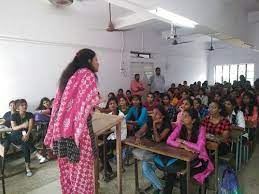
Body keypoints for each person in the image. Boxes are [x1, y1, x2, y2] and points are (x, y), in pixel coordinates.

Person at [44, 48, 100, 194]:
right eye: (96, 60)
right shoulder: (87, 75)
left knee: (69, 168)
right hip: (79, 132)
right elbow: (86, 102)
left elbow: (59, 104)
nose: (98, 63)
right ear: (89, 61)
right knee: (83, 172)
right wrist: (99, 99)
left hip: (63, 132)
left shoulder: (69, 76)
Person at [165, 109, 214, 194]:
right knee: (171, 170)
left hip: (199, 161)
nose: (182, 118)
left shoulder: (201, 129)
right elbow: (169, 140)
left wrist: (183, 141)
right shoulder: (181, 126)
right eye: (182, 115)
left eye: (186, 116)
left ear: (193, 120)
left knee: (184, 175)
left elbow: (199, 148)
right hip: (185, 158)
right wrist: (183, 146)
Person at [5, 99, 47, 177]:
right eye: (22, 105)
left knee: (25, 144)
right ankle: (37, 154)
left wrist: (27, 134)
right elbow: (14, 128)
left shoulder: (29, 114)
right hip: (15, 137)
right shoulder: (14, 115)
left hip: (26, 136)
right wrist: (23, 125)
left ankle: (28, 168)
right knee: (19, 135)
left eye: (25, 104)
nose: (25, 106)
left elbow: (30, 126)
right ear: (18, 107)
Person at [135, 105, 171, 194]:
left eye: (157, 114)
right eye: (153, 113)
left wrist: (154, 125)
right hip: (151, 150)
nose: (153, 116)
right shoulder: (150, 120)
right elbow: (139, 132)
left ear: (162, 116)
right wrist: (138, 137)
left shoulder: (167, 125)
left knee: (146, 169)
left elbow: (158, 140)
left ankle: (159, 187)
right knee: (145, 169)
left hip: (164, 153)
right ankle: (160, 187)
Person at [99, 97, 127, 178]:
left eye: (114, 103)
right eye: (110, 104)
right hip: (112, 136)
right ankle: (105, 163)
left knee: (102, 151)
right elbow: (106, 126)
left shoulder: (120, 115)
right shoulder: (109, 115)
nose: (112, 105)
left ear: (117, 104)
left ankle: (109, 170)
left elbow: (111, 126)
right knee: (100, 149)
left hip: (120, 137)